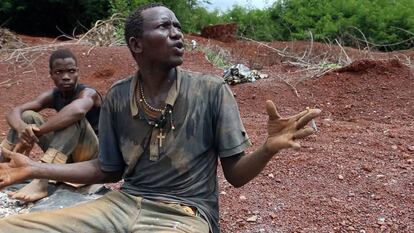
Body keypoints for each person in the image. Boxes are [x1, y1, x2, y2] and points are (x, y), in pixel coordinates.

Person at [0, 3, 320, 233]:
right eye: (165, 27)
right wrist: (34, 167)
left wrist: (268, 148)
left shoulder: (211, 91)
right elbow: (106, 169)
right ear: (136, 44)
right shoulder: (118, 97)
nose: (177, 34)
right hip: (123, 204)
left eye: (178, 27)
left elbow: (234, 174)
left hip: (184, 214)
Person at [0, 48, 102, 202]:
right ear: (51, 75)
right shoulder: (53, 95)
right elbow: (15, 112)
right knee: (28, 116)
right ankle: (4, 168)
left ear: (78, 72)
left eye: (71, 71)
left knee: (73, 118)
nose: (66, 77)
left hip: (91, 157)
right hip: (66, 153)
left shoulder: (88, 93)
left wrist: (38, 132)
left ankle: (41, 181)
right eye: (59, 72)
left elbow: (78, 111)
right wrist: (23, 129)